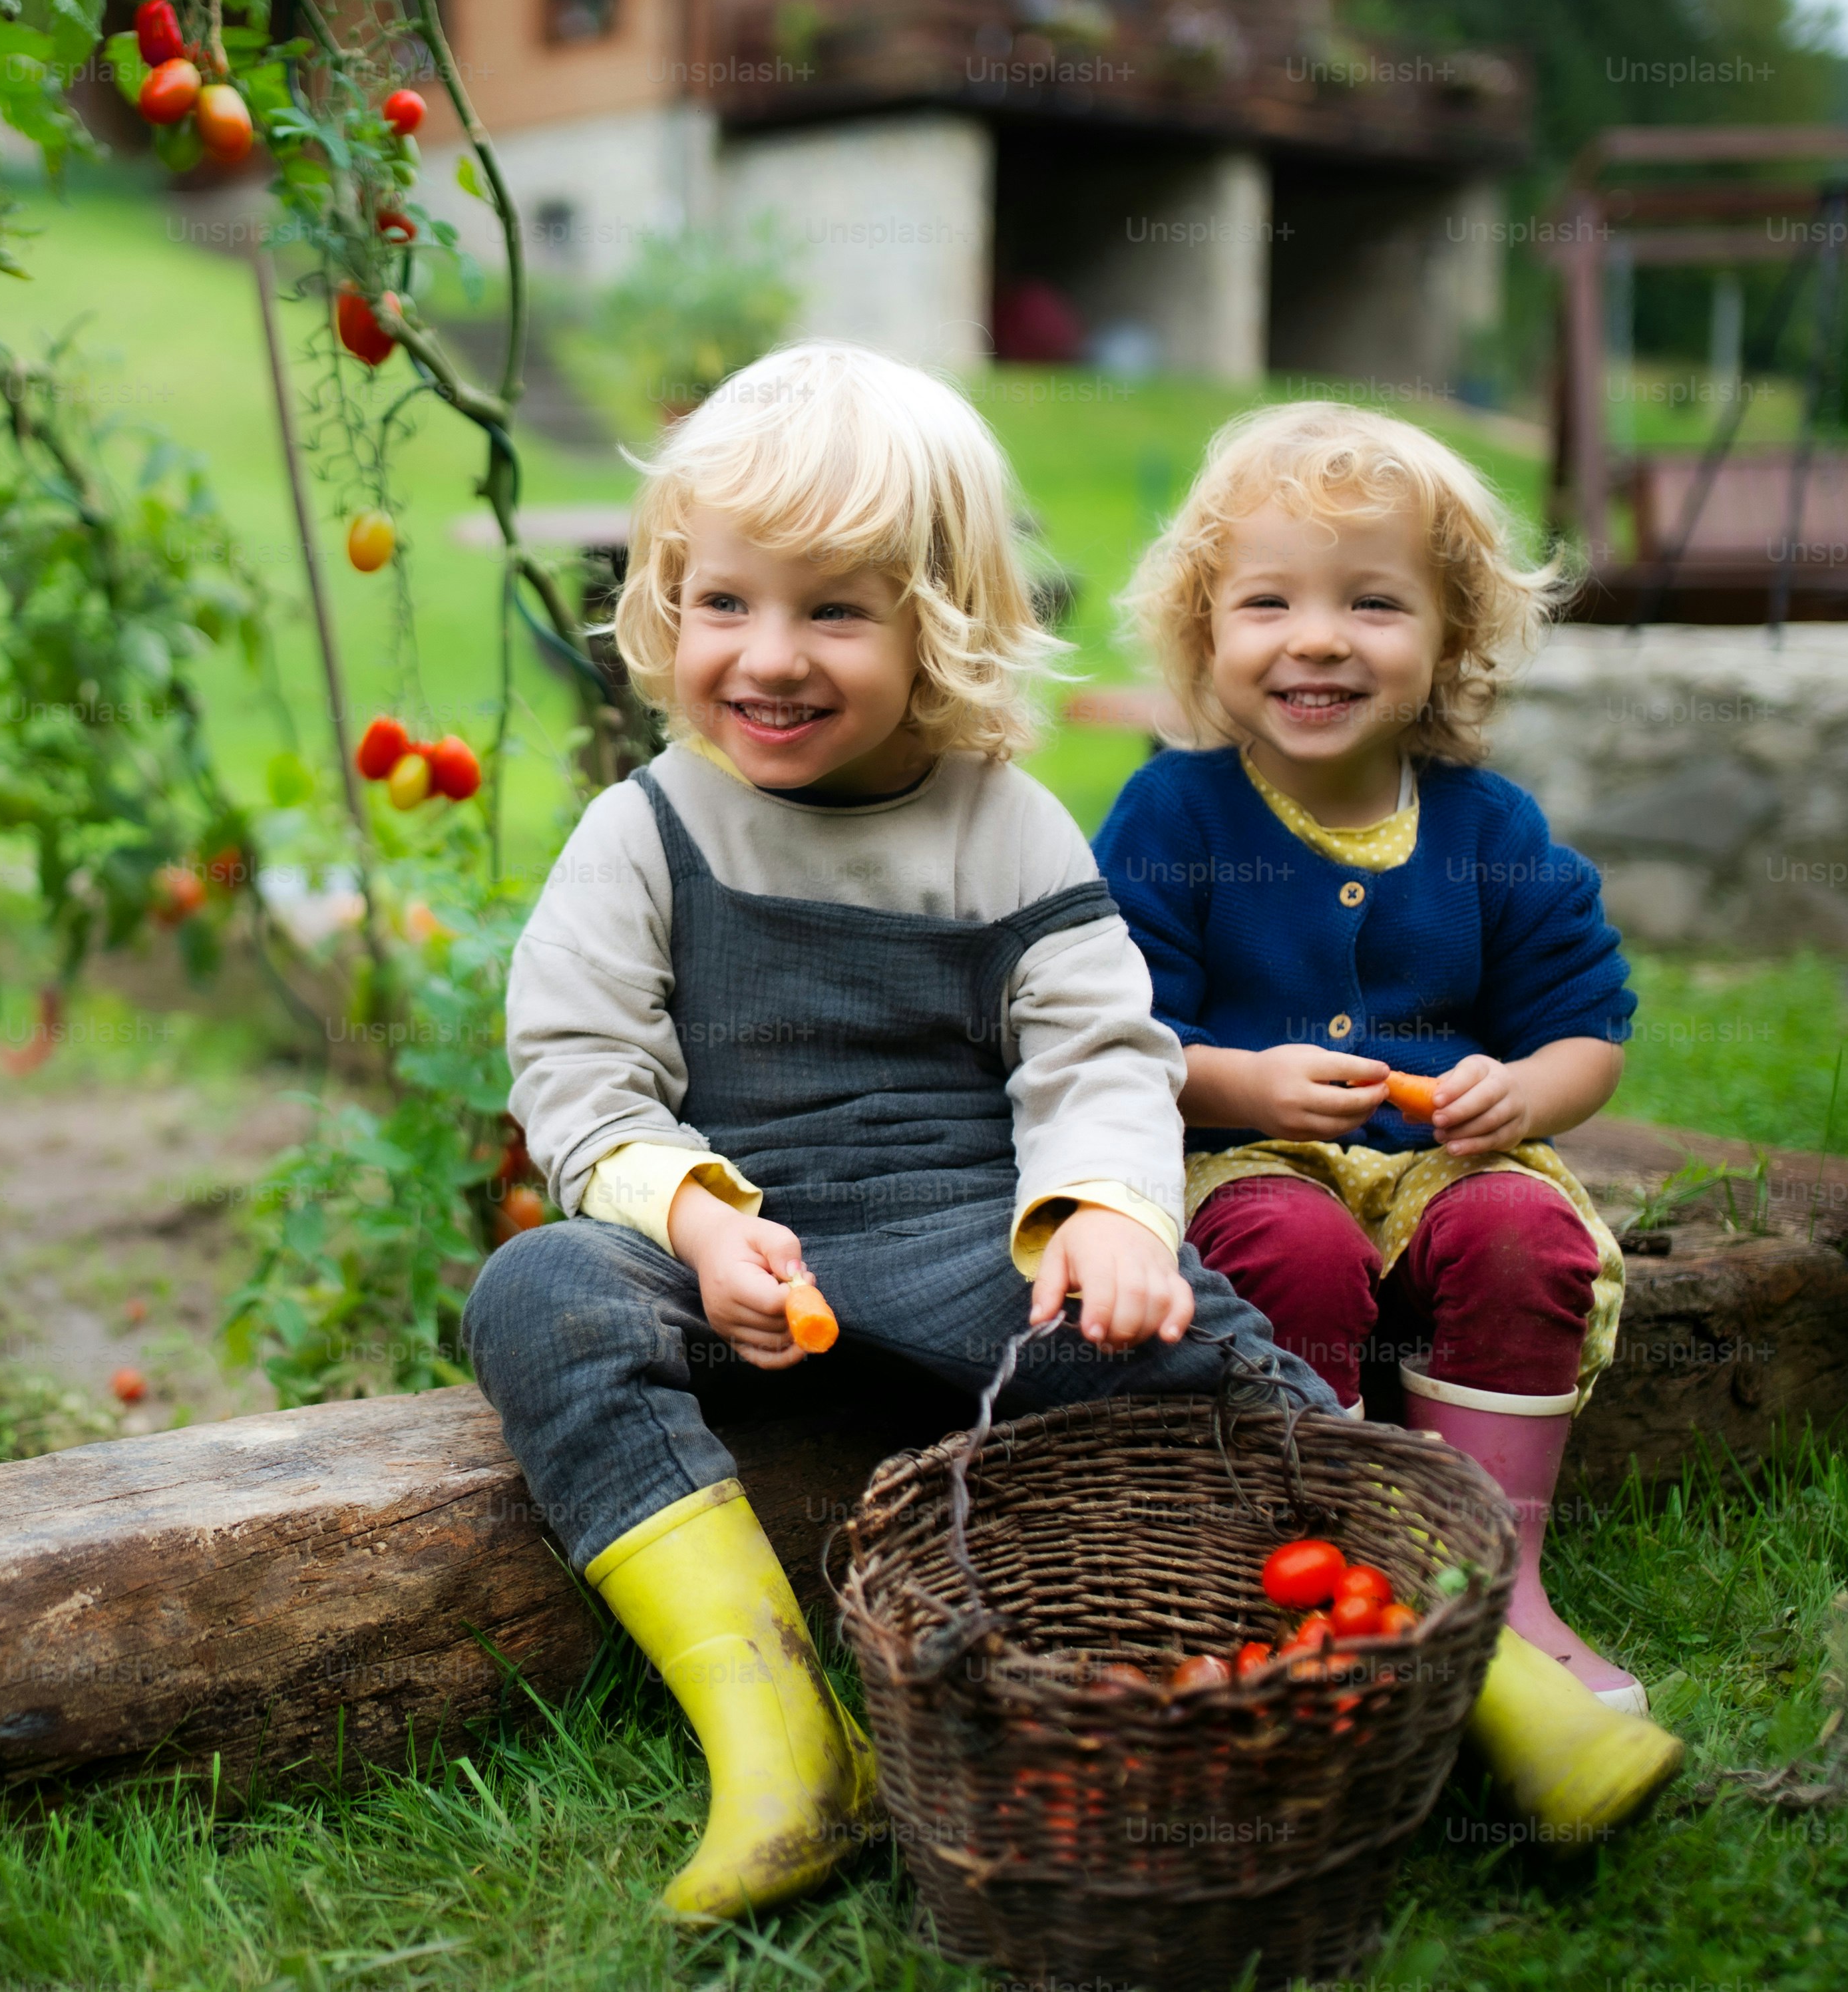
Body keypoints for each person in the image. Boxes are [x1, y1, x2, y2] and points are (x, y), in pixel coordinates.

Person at [464, 340, 1341, 1923]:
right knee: (538, 1292)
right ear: (669, 604)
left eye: (835, 611)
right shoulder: (646, 830)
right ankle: (783, 1741)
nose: (770, 658)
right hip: (741, 1261)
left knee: (1166, 1323)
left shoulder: (1001, 824)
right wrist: (696, 1222)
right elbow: (582, 1081)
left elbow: (1099, 1050)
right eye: (726, 603)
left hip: (959, 1240)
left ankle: (1437, 1637)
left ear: (936, 623)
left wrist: (1108, 1219)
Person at [1095, 401, 1662, 1721]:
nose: (1319, 639)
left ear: (1451, 637)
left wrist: (1526, 1092)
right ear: (1205, 632)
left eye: (1375, 604)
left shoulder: (1487, 827)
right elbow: (1117, 1032)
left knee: (1525, 1235)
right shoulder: (1176, 815)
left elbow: (1588, 1024)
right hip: (1245, 1159)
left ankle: (1496, 1578)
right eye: (1269, 603)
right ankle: (1320, 1557)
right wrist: (1238, 1082)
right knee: (1285, 1246)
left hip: (1443, 1173)